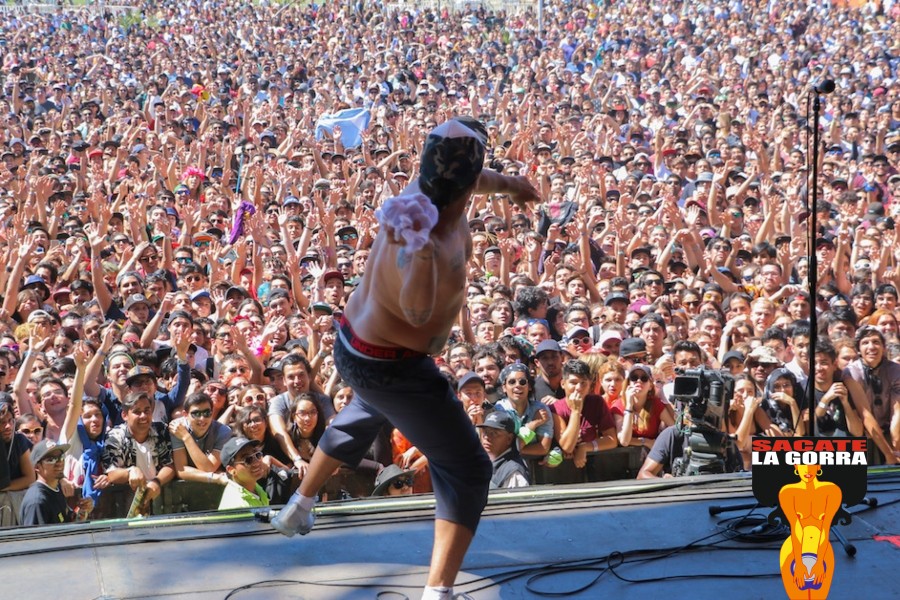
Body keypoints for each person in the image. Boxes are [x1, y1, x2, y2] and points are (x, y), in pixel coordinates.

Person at [271, 116, 540, 600]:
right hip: (391, 363)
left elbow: (477, 178)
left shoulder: (436, 183)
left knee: (361, 413)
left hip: (357, 346)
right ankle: (437, 593)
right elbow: (417, 312)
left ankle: (299, 505)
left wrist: (513, 186)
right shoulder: (417, 234)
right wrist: (418, 252)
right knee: (468, 468)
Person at [778, 464, 840, 599]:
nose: (807, 469)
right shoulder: (787, 492)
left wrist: (819, 562)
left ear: (818, 466)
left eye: (811, 464)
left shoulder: (832, 490)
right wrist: (799, 563)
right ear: (795, 466)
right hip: (794, 547)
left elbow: (825, 527)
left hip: (822, 547)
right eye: (802, 464)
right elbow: (795, 527)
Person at [20, 440, 93, 525]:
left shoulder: (56, 489)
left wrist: (83, 512)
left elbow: (67, 524)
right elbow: (36, 537)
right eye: (51, 460)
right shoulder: (37, 501)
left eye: (61, 457)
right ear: (37, 467)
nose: (59, 463)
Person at [476, 410, 530, 489]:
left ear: (509, 439)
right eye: (485, 432)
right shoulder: (483, 462)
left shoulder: (513, 472)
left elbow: (517, 501)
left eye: (494, 433)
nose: (487, 437)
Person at [218, 437, 270, 510]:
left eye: (257, 455)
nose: (256, 462)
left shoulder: (253, 486)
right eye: (248, 460)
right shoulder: (237, 507)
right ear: (231, 470)